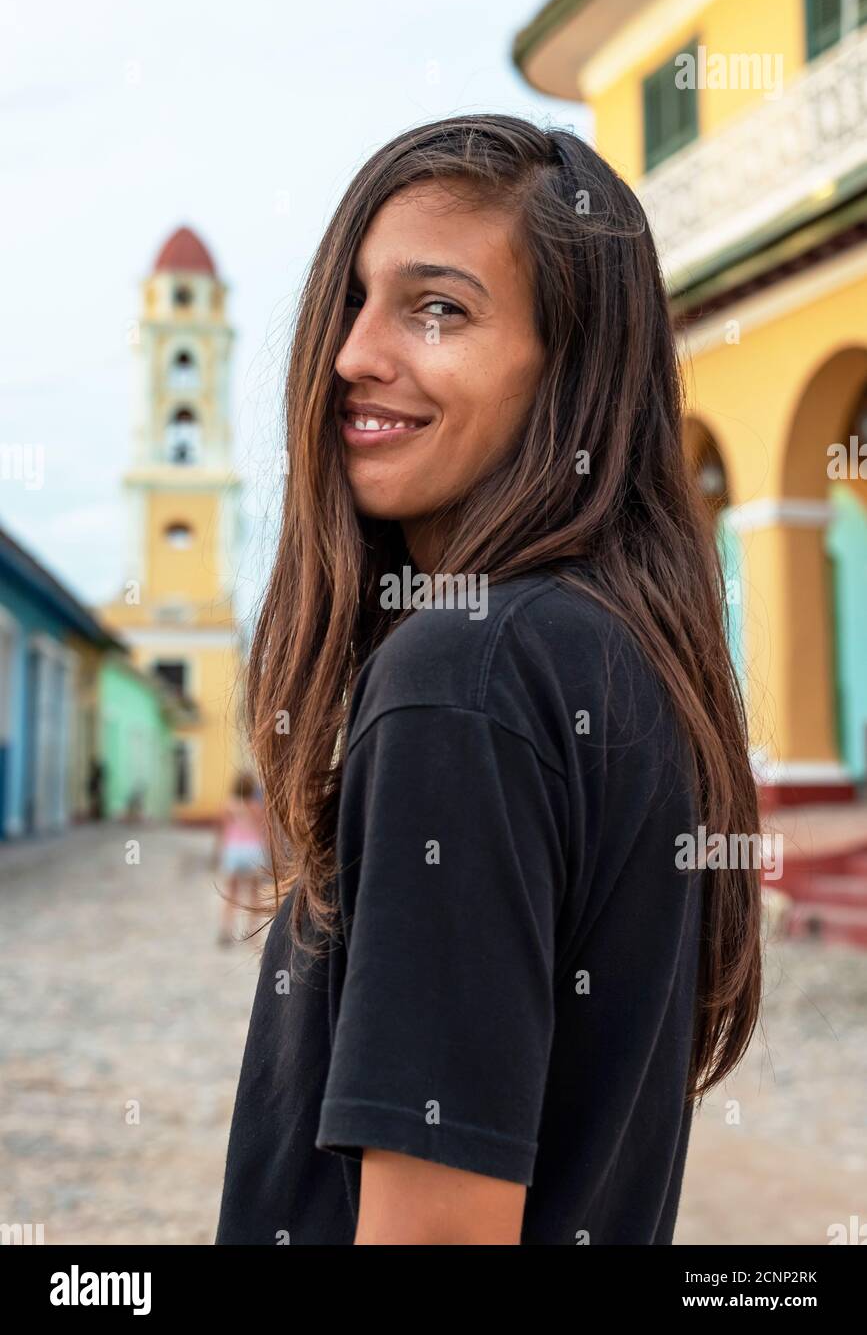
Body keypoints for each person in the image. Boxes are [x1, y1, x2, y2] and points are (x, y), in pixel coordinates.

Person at [215, 115, 763, 1245]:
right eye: (355, 301)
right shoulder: (620, 659)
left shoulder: (462, 673)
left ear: (570, 372)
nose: (355, 355)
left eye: (438, 309)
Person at [214, 773, 268, 947]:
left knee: (231, 894)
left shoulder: (229, 806)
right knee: (254, 896)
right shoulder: (257, 806)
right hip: (253, 851)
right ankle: (253, 935)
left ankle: (225, 931)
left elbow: (222, 832)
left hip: (234, 851)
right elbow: (264, 831)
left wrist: (218, 854)